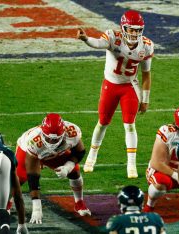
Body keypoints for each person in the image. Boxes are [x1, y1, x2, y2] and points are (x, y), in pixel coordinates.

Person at [77, 9, 154, 178]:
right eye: (131, 29)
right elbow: (98, 43)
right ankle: (92, 156)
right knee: (103, 122)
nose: (134, 33)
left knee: (130, 125)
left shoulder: (146, 45)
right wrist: (86, 39)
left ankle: (131, 164)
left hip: (129, 87)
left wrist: (145, 99)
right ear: (123, 27)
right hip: (110, 85)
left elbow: (146, 74)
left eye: (137, 30)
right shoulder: (113, 37)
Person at [15, 113, 91, 224]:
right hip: (28, 152)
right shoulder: (33, 141)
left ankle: (79, 203)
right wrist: (37, 206)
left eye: (55, 140)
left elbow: (80, 152)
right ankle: (7, 204)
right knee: (19, 179)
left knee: (74, 172)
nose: (51, 142)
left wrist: (67, 167)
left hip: (55, 153)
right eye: (48, 138)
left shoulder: (72, 132)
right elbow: (33, 175)